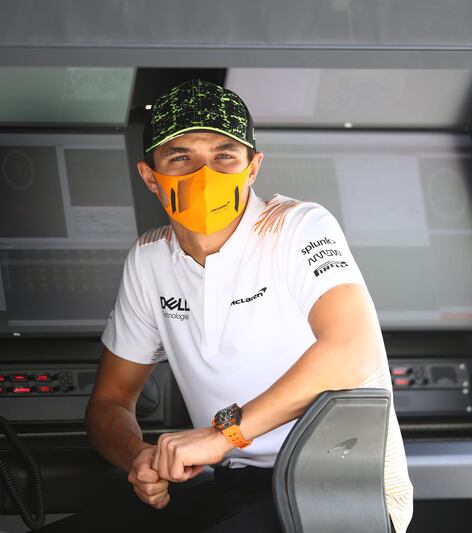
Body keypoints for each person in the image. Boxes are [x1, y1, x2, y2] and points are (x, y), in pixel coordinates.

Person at [40, 79, 412, 532]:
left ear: (252, 168)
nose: (205, 174)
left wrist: (223, 436)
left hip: (340, 490)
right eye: (181, 157)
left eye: (224, 156)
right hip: (229, 485)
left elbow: (353, 350)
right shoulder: (149, 260)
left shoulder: (298, 228)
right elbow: (109, 403)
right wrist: (138, 457)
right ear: (149, 176)